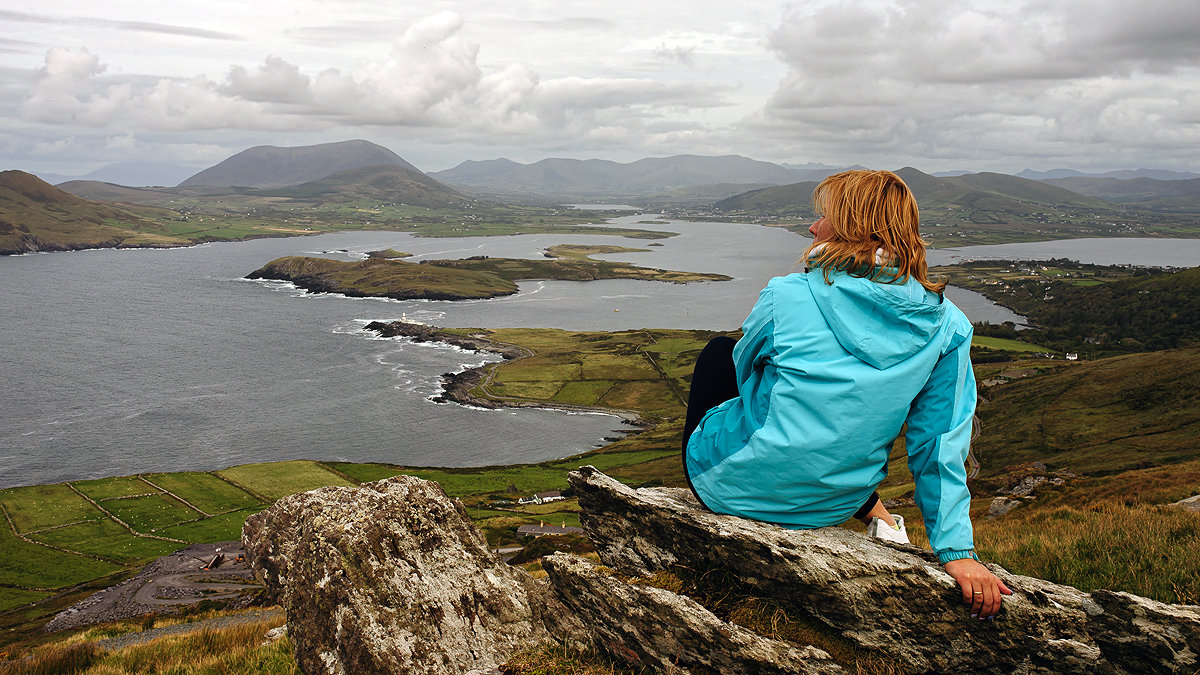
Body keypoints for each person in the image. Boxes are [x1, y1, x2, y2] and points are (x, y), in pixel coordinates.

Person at [681, 169, 1011, 619]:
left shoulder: (785, 294)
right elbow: (938, 445)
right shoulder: (950, 326)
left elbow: (746, 371)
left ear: (853, 229)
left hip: (731, 488)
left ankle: (814, 480)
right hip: (831, 505)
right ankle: (868, 504)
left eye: (824, 217)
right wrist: (957, 551)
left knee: (720, 352)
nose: (812, 227)